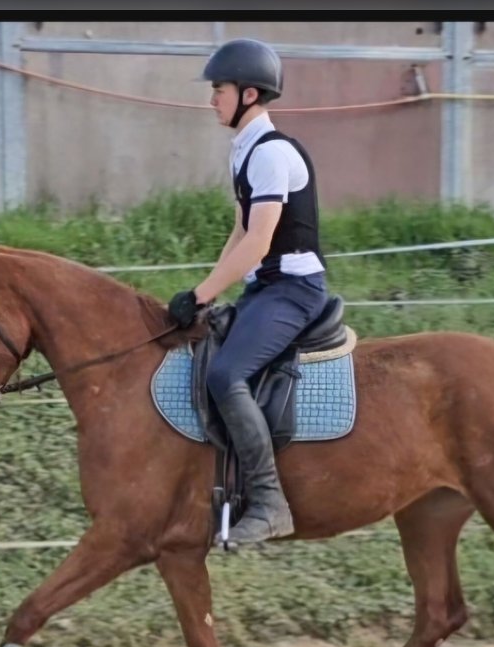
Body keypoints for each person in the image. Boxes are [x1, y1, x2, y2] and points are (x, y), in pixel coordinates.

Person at [168, 38, 331, 545]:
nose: (212, 98)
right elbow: (239, 233)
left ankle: (269, 501)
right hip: (267, 288)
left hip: (295, 290)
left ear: (249, 94)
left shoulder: (272, 153)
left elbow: (260, 240)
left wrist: (200, 294)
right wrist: (207, 292)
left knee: (226, 373)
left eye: (220, 89)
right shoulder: (245, 150)